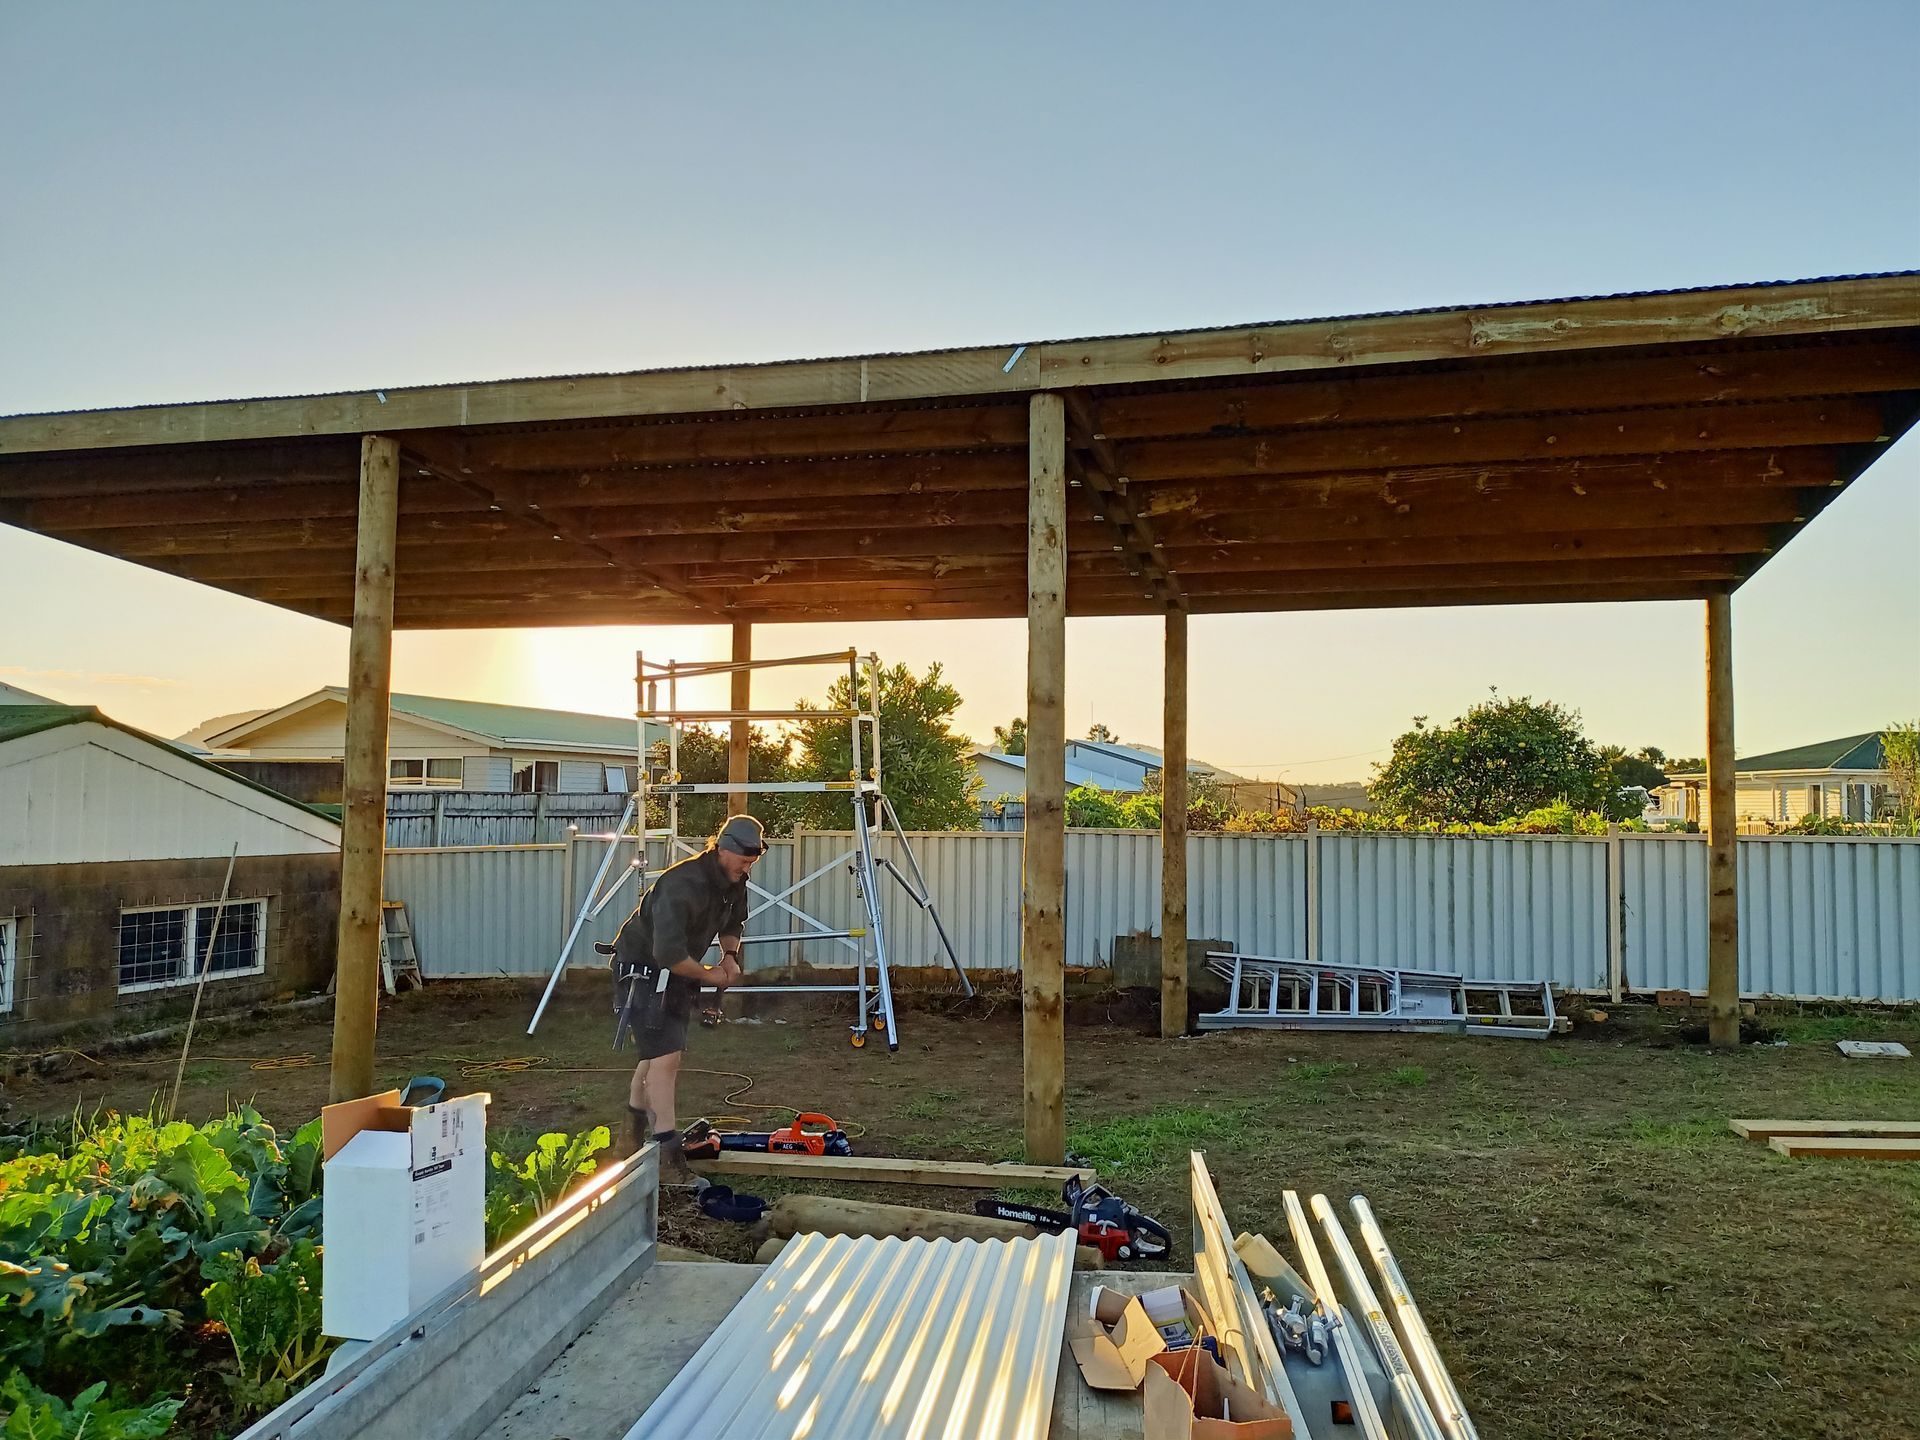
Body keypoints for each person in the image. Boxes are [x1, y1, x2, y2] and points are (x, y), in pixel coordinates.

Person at [611, 813, 765, 1179]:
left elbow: (732, 923)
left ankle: (628, 1141)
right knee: (665, 1060)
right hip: (642, 970)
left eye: (751, 863)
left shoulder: (733, 879)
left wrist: (729, 956)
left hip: (677, 971)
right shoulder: (681, 884)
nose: (747, 870)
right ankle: (668, 1159)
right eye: (744, 861)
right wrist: (709, 974)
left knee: (655, 1057)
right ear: (724, 850)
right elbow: (668, 954)